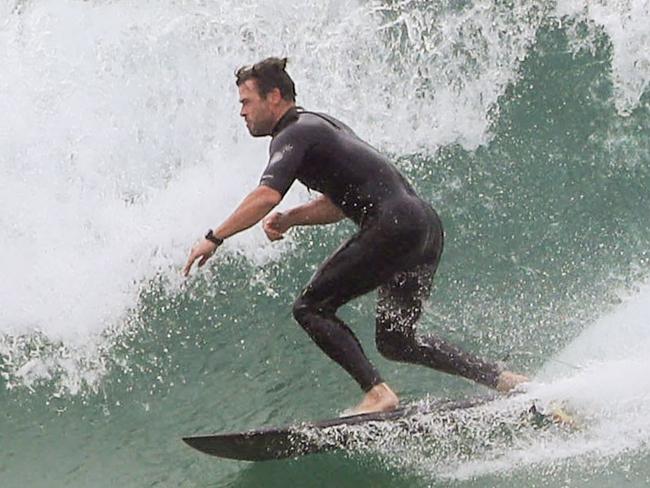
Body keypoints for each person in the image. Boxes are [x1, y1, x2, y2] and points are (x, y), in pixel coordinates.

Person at [183, 57, 527, 415]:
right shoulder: (318, 125)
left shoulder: (292, 133)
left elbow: (266, 194)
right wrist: (291, 219)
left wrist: (215, 237)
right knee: (397, 341)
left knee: (310, 308)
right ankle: (504, 380)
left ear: (274, 97)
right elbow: (341, 202)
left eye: (245, 102)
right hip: (422, 226)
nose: (241, 112)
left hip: (393, 225)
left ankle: (378, 394)